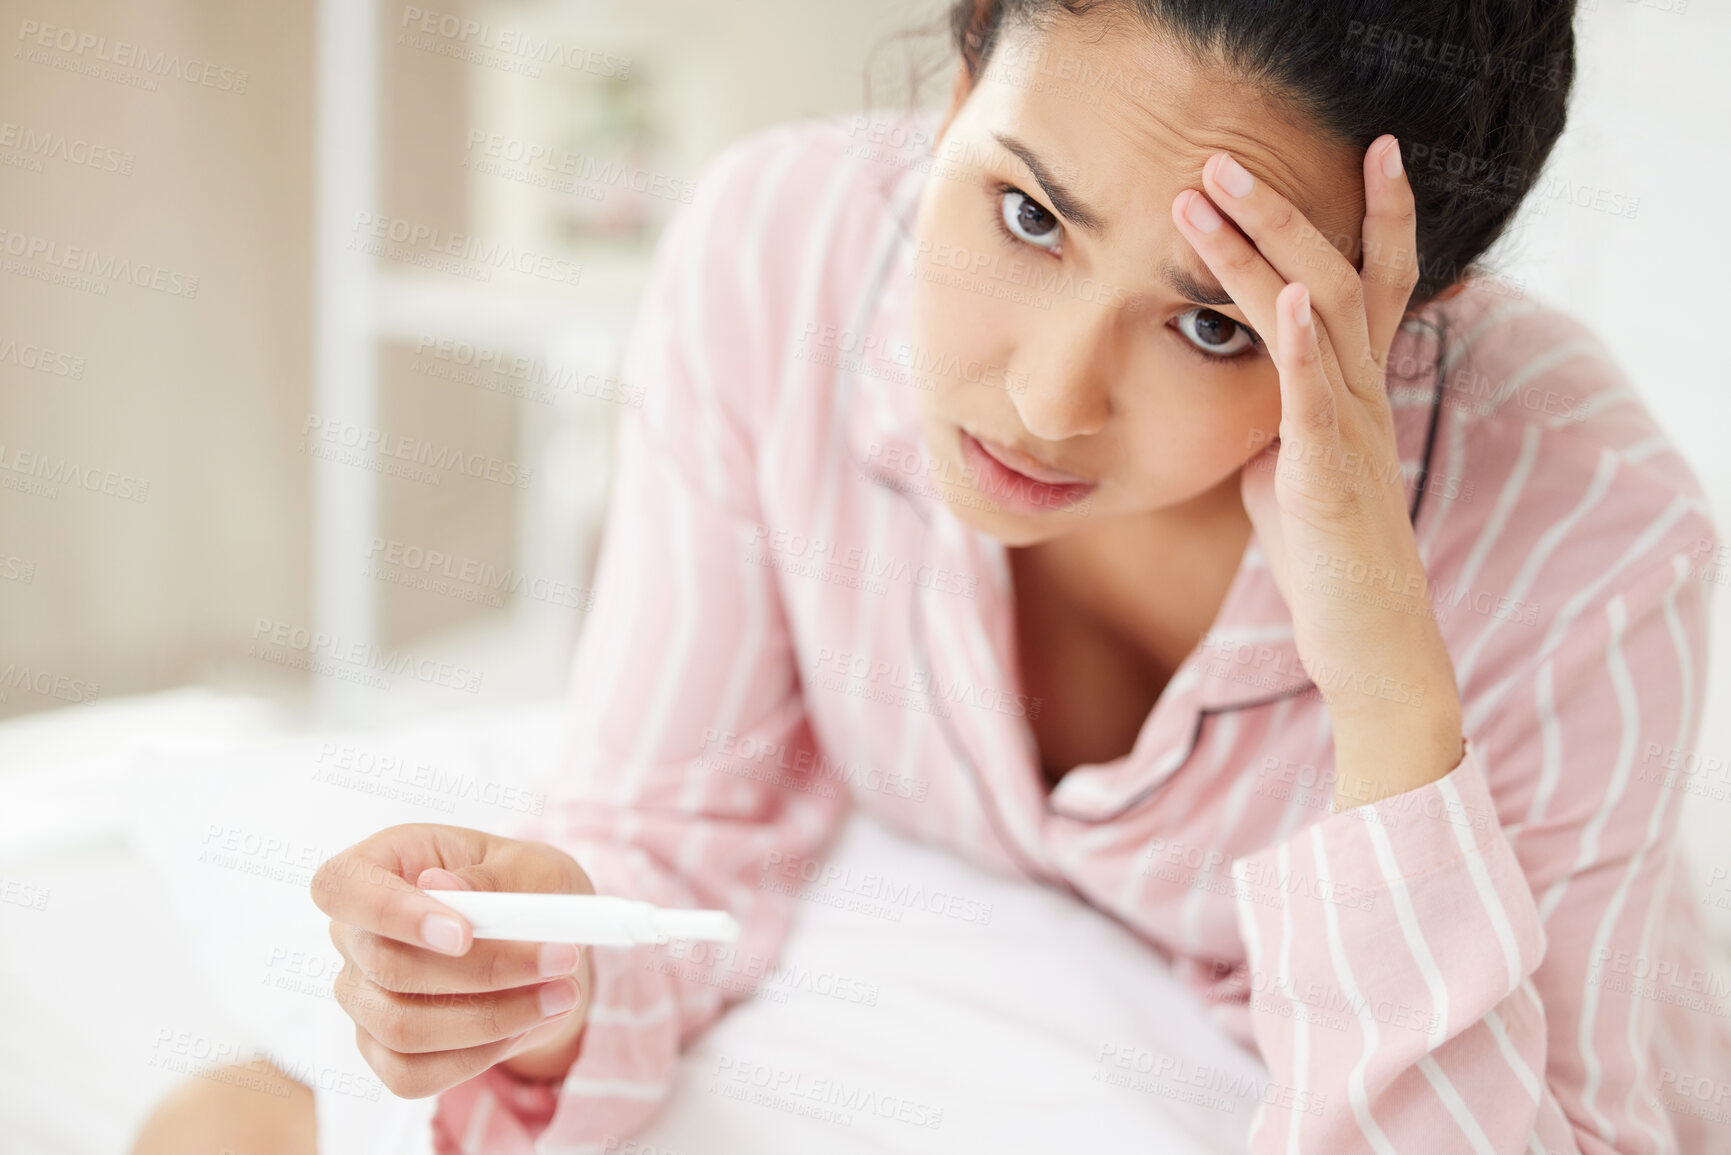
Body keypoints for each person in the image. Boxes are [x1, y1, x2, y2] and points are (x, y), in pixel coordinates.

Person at [132, 1, 1731, 1152]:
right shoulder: (782, 250)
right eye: (1027, 211)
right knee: (221, 1127)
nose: (1046, 398)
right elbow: (672, 826)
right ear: (968, 55)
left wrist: (1386, 678)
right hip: (912, 966)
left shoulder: (1592, 538)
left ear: (1418, 310)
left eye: (1216, 322)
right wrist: (532, 990)